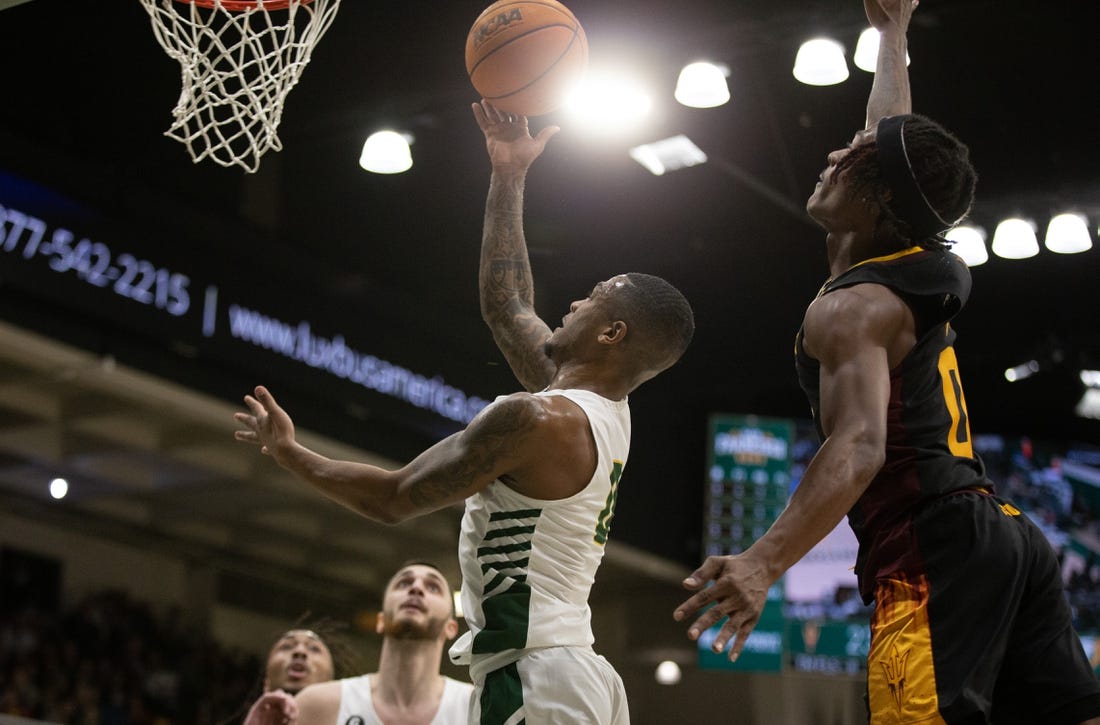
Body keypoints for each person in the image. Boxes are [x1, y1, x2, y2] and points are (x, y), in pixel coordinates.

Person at [673, 1, 1100, 723]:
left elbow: (864, 444)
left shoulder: (854, 306)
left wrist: (764, 561)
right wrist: (891, 34)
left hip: (932, 543)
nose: (835, 155)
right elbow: (885, 138)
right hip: (1008, 535)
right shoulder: (907, 246)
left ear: (876, 202)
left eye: (851, 162)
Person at [234, 100, 694, 724]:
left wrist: (291, 454)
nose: (576, 300)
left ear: (611, 335)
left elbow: (393, 498)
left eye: (594, 298)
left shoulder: (537, 421)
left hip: (537, 675)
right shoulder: (599, 409)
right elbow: (507, 307)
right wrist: (508, 172)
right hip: (567, 671)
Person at [243, 562, 472, 725]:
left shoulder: (476, 706)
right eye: (403, 583)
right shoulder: (317, 704)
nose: (416, 588)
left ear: (451, 627)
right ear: (380, 621)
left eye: (432, 587)